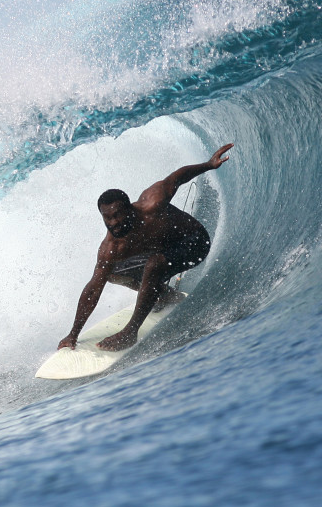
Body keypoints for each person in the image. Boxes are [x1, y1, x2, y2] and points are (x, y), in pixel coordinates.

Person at [58, 143, 234, 352]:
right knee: (108, 273)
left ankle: (131, 331)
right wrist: (73, 334)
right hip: (161, 255)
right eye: (107, 218)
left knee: (154, 263)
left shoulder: (153, 203)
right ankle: (165, 296)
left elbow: (177, 177)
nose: (113, 223)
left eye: (117, 215)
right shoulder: (111, 247)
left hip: (194, 243)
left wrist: (208, 164)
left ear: (130, 209)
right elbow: (92, 290)